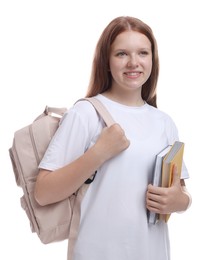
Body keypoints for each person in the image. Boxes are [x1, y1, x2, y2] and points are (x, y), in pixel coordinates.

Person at [34, 16, 191, 260]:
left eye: (142, 53)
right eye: (121, 54)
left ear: (153, 59)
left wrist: (180, 201)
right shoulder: (86, 113)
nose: (133, 63)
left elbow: (180, 192)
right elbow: (43, 192)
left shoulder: (164, 122)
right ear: (106, 61)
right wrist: (99, 153)